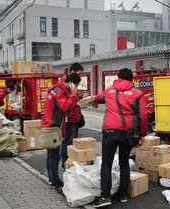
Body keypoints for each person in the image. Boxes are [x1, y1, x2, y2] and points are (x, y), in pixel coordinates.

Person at [92, 68, 148, 207]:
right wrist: (142, 134)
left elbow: (96, 99)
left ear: (118, 78)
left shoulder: (110, 91)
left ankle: (105, 197)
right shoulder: (137, 94)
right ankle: (122, 194)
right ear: (131, 80)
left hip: (110, 131)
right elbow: (143, 115)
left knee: (106, 163)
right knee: (124, 162)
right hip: (128, 132)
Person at [40, 73, 81, 193]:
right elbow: (65, 106)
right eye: (76, 86)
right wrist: (73, 95)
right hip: (52, 127)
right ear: (71, 84)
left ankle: (52, 179)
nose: (76, 89)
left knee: (51, 155)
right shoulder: (59, 92)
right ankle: (54, 182)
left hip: (49, 125)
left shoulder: (57, 89)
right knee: (54, 156)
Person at [60, 62, 85, 170]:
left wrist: (80, 97)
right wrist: (76, 99)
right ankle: (65, 164)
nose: (80, 76)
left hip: (75, 116)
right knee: (68, 142)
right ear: (73, 72)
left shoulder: (72, 84)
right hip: (69, 117)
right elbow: (67, 102)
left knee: (73, 141)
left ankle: (71, 163)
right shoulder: (66, 83)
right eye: (79, 74)